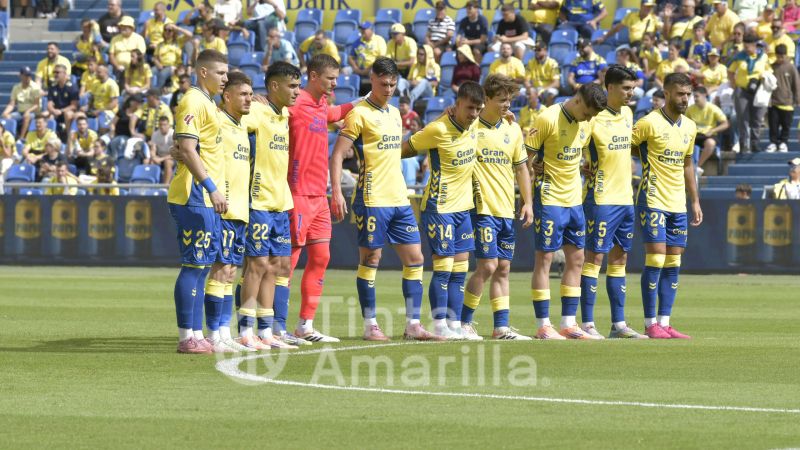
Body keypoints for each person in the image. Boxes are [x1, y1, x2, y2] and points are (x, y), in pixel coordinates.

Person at [330, 57, 436, 342]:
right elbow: (337, 154)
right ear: (372, 80)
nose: (388, 89)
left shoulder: (394, 113)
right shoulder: (359, 114)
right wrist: (337, 191)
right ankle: (371, 325)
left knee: (415, 259)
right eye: (383, 84)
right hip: (372, 197)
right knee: (371, 259)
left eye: (392, 85)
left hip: (399, 198)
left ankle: (413, 325)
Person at [275, 54, 359, 344]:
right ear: (313, 76)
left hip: (319, 195)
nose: (335, 83)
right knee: (287, 261)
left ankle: (305, 326)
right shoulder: (294, 102)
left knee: (321, 257)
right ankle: (274, 327)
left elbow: (334, 113)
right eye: (330, 78)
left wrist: (365, 100)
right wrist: (260, 100)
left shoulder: (321, 103)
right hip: (296, 193)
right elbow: (266, 110)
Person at [401, 80, 484, 340]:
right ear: (457, 105)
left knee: (460, 270)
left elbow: (493, 115)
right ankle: (439, 325)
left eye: (478, 109)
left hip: (463, 208)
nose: (473, 114)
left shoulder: (475, 124)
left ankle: (455, 324)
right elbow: (404, 149)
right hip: (440, 207)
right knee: (444, 269)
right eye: (469, 108)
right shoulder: (438, 129)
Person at [524, 83, 606, 339]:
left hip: (574, 201)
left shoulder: (587, 123)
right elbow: (524, 160)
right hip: (549, 198)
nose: (589, 119)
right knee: (545, 259)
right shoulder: (547, 118)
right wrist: (528, 196)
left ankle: (568, 323)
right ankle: (543, 325)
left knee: (577, 259)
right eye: (588, 113)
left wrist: (584, 167)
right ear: (578, 101)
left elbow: (577, 154)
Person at [571, 66, 646, 339]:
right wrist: (581, 165)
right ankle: (588, 323)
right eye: (626, 88)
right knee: (594, 258)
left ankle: (619, 324)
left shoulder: (628, 114)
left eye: (633, 88)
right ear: (610, 87)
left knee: (620, 258)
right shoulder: (593, 117)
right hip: (601, 198)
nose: (631, 93)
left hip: (625, 198)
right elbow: (571, 146)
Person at [460, 74, 533, 340]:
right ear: (486, 99)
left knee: (503, 268)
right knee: (488, 266)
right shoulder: (470, 126)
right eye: (501, 100)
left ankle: (501, 327)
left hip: (506, 208)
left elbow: (521, 169)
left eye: (509, 100)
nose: (507, 105)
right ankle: (463, 323)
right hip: (482, 208)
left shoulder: (512, 129)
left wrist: (528, 203)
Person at [167, 49, 229, 354]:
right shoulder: (193, 100)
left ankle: (195, 333)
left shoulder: (209, 103)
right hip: (195, 194)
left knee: (202, 266)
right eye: (220, 73)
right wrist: (212, 188)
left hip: (205, 197)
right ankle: (186, 336)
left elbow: (183, 146)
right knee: (193, 266)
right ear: (203, 72)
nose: (225, 78)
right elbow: (188, 149)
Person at [631, 72, 702, 339]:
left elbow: (688, 164)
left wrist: (694, 200)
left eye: (688, 94)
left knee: (674, 261)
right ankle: (650, 323)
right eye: (680, 94)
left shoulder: (690, 127)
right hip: (652, 198)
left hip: (677, 202)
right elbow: (623, 146)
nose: (685, 99)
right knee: (657, 257)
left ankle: (665, 321)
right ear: (667, 93)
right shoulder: (648, 122)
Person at [237, 62, 301, 350]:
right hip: (259, 200)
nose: (296, 92)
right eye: (292, 86)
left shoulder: (284, 113)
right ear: (274, 86)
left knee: (276, 266)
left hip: (280, 201)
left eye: (298, 86)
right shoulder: (257, 110)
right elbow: (229, 119)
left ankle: (266, 331)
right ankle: (245, 330)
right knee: (257, 265)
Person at [197, 71, 253, 353]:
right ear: (227, 96)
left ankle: (223, 332)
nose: (249, 99)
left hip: (241, 210)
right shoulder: (217, 119)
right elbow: (189, 143)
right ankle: (213, 334)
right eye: (243, 94)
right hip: (224, 209)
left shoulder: (242, 124)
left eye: (251, 94)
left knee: (230, 273)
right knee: (220, 271)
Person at [729, 32, 770, 153]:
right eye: (744, 46)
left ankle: (755, 143)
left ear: (755, 45)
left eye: (748, 47)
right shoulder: (739, 57)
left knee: (757, 118)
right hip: (742, 91)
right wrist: (734, 85)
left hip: (758, 91)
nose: (746, 49)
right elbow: (730, 72)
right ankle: (743, 144)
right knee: (743, 118)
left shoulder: (763, 56)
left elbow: (768, 71)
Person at [767, 44, 800, 153]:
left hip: (787, 103)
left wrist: (797, 99)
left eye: (782, 56)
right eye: (778, 56)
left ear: (786, 55)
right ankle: (773, 142)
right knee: (773, 124)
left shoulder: (791, 68)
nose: (780, 59)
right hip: (773, 102)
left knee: (786, 125)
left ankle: (783, 142)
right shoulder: (772, 67)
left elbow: (796, 84)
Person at [687, 86, 729, 169]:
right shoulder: (690, 109)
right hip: (694, 135)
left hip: (708, 135)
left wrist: (713, 130)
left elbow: (725, 124)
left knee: (710, 143)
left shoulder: (713, 108)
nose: (695, 99)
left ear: (704, 95)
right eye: (694, 96)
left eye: (697, 96)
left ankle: (697, 167)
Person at [597, 0, 661, 49]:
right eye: (647, 6)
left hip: (648, 47)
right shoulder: (631, 16)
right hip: (635, 45)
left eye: (651, 7)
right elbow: (617, 28)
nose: (649, 9)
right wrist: (604, 37)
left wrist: (666, 19)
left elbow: (663, 31)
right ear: (641, 6)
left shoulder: (654, 18)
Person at [3, 67, 42, 136]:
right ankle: (10, 136)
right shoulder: (16, 87)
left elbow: (36, 105)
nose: (28, 77)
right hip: (20, 112)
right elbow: (12, 104)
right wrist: (6, 112)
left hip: (33, 112)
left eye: (29, 75)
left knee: (27, 116)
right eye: (26, 75)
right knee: (6, 116)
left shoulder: (35, 87)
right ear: (20, 76)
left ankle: (21, 137)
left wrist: (28, 111)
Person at [45, 64, 79, 141]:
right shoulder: (52, 86)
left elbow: (74, 106)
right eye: (54, 72)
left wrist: (61, 111)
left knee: (68, 114)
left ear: (64, 74)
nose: (55, 74)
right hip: (56, 112)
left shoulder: (72, 87)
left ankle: (69, 138)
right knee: (45, 115)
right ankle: (51, 139)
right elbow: (49, 104)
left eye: (58, 72)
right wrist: (53, 111)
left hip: (67, 111)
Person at [153, 25, 183, 90]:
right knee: (151, 72)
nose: (167, 32)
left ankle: (157, 92)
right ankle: (150, 91)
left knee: (162, 74)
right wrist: (158, 64)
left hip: (172, 66)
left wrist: (177, 28)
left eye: (170, 30)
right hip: (161, 65)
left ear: (173, 32)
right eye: (165, 30)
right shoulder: (160, 44)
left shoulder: (178, 42)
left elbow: (190, 35)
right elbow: (155, 57)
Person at [149, 115, 175, 183]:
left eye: (164, 124)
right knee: (150, 162)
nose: (162, 127)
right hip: (159, 157)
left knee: (168, 162)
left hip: (172, 158)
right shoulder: (155, 134)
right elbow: (153, 149)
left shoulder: (173, 134)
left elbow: (175, 153)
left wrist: (161, 159)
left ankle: (165, 186)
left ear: (169, 125)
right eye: (160, 124)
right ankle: (151, 185)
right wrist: (154, 157)